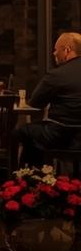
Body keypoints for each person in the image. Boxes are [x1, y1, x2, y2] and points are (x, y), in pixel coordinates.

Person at [17, 32, 81, 167]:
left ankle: (29, 178)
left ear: (67, 50)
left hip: (60, 135)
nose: (54, 54)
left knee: (24, 131)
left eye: (56, 50)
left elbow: (35, 104)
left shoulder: (57, 75)